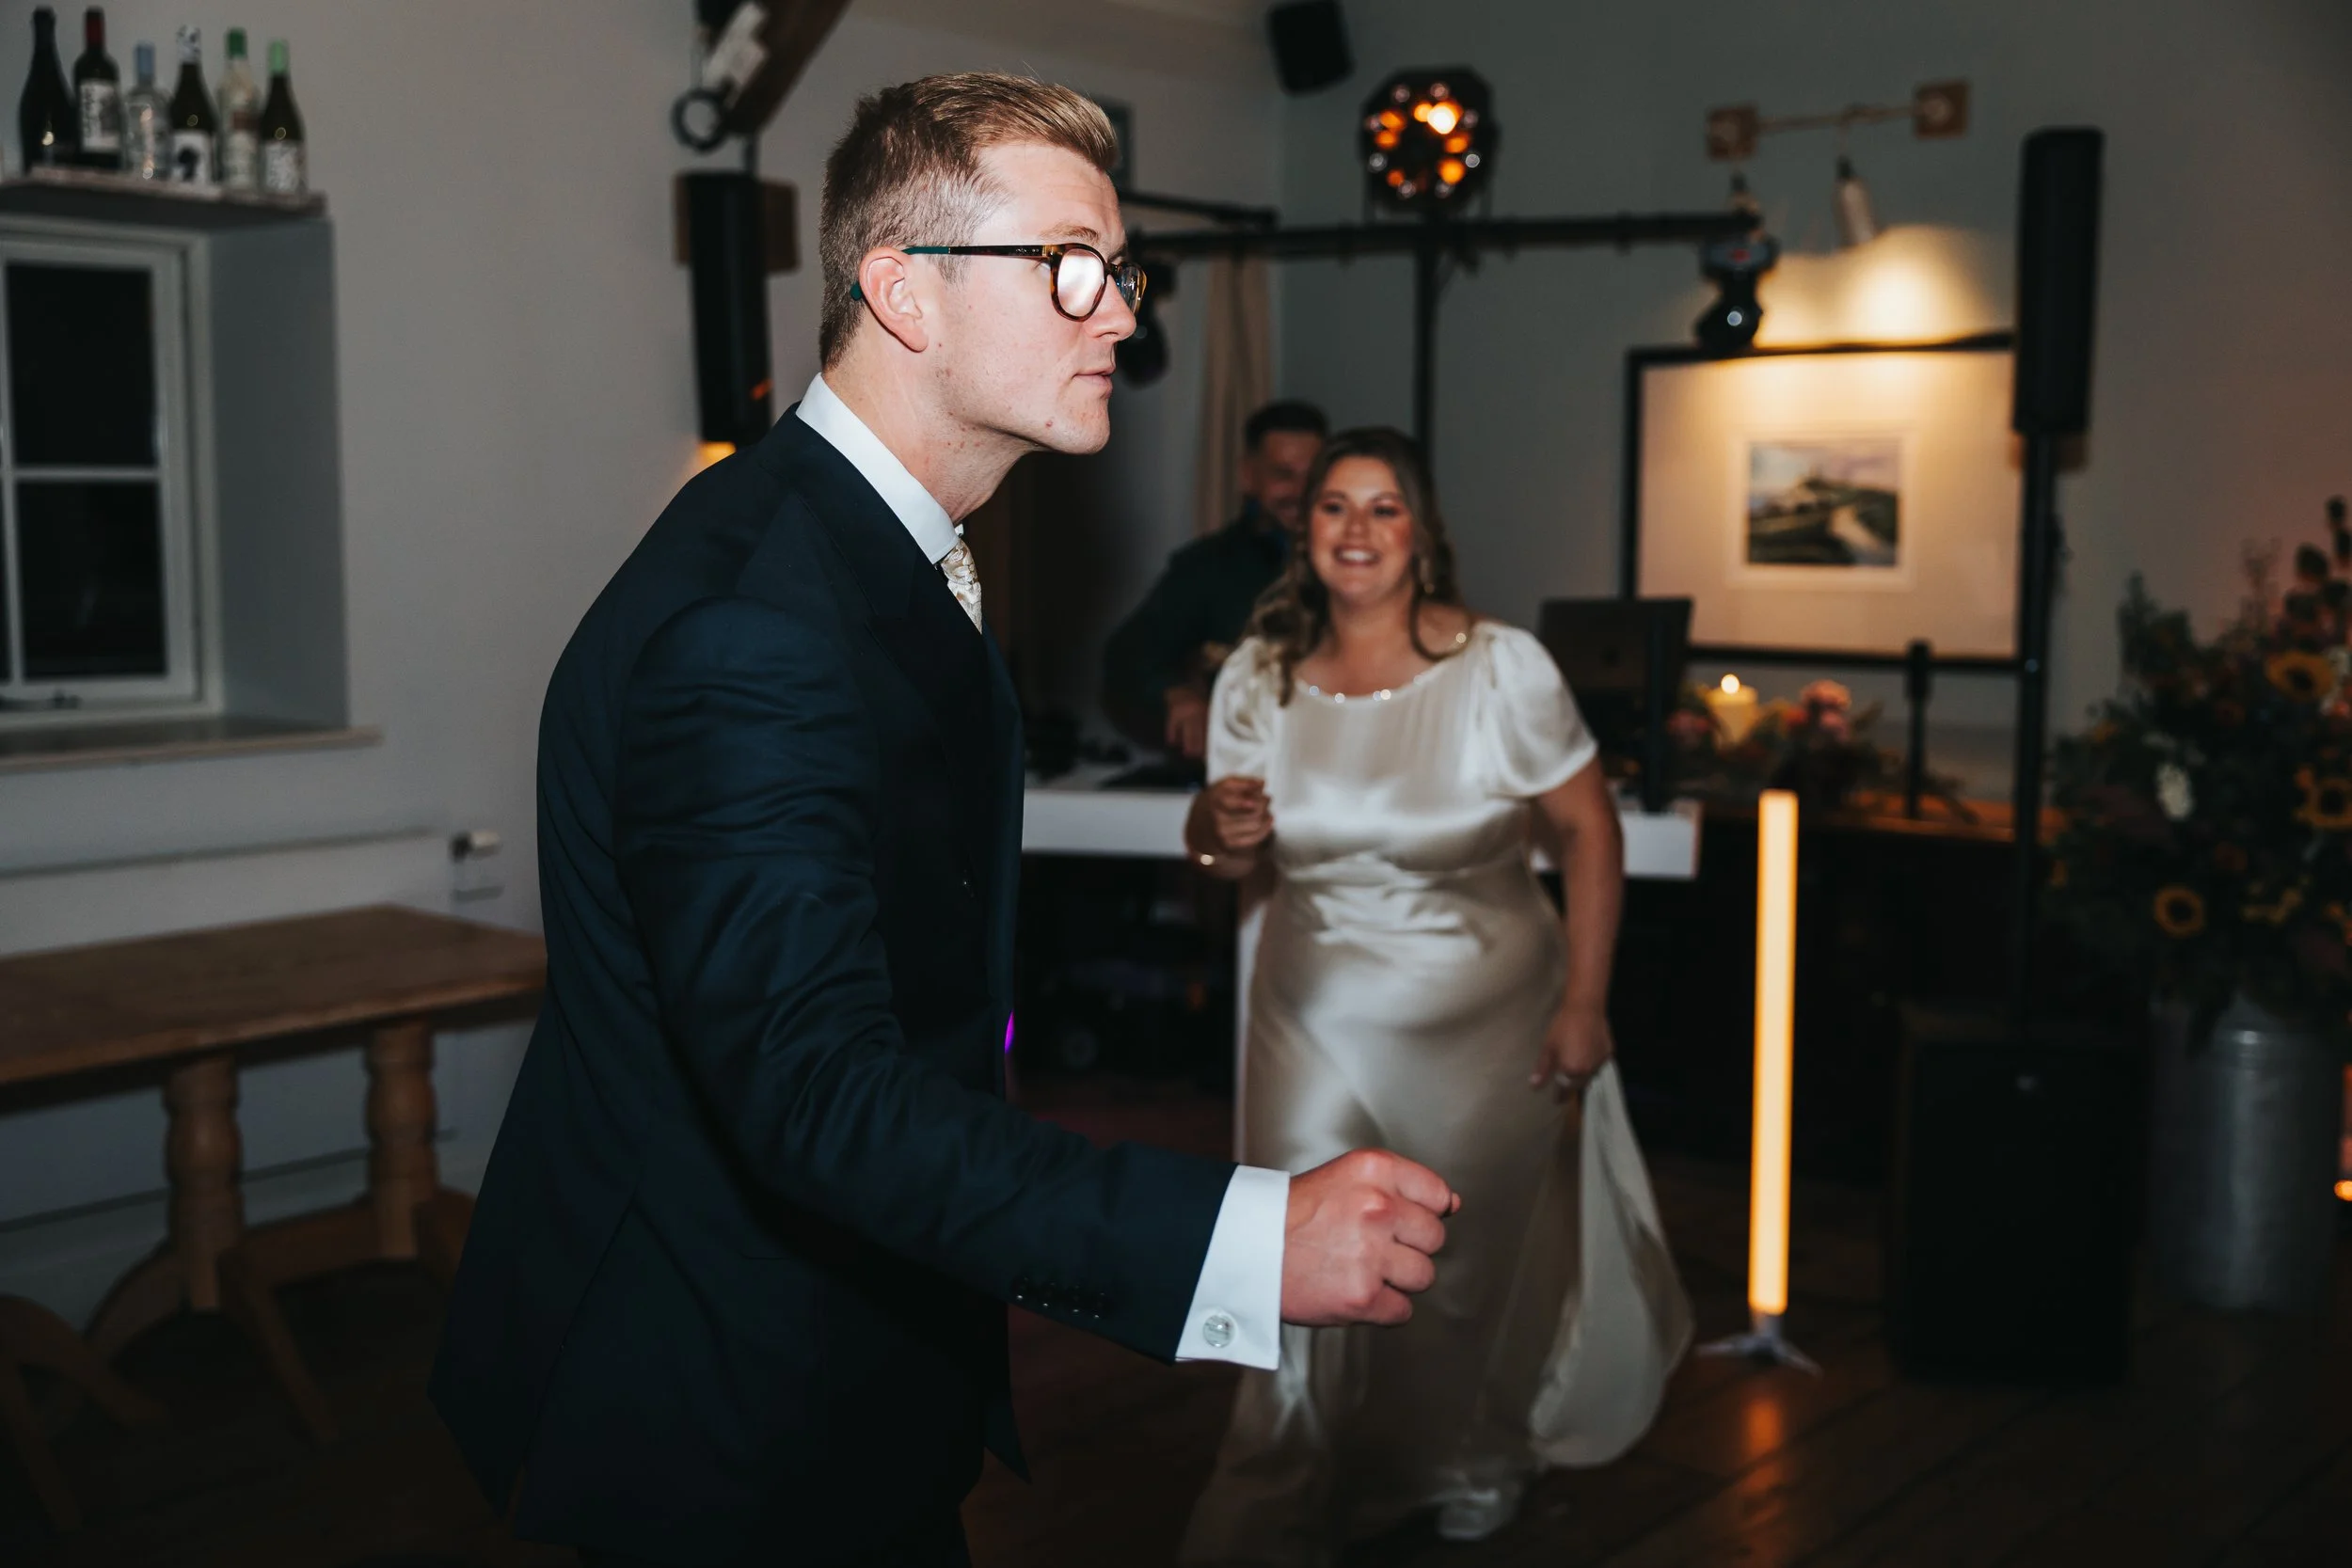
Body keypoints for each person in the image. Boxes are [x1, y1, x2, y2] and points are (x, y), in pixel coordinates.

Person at [430, 78, 1462, 1568]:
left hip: (857, 1331)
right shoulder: (754, 621)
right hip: (713, 1392)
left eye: (1122, 271)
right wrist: (1237, 1237)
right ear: (901, 293)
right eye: (1070, 267)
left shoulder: (885, 556)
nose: (1120, 317)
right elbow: (812, 1090)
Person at [1178, 427, 1687, 1563]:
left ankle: (1458, 1456)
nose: (1355, 530)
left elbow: (1588, 830)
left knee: (1455, 1266)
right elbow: (1220, 848)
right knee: (1295, 1248)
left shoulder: (1500, 668)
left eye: (1383, 508)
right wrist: (1214, 832)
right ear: (1302, 533)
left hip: (1494, 1017)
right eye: (1332, 508)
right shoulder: (1256, 677)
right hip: (1311, 1018)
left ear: (1423, 534)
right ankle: (1276, 1480)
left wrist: (1585, 1000)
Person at [1103, 401, 1327, 760]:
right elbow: (1127, 659)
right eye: (1284, 475)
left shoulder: (1351, 561)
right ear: (1248, 476)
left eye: (1312, 476)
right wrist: (1176, 693)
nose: (1301, 491)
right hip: (1243, 768)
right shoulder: (1208, 566)